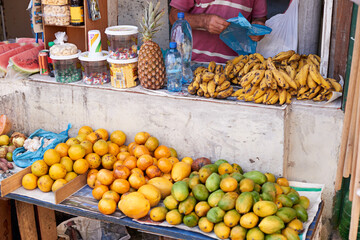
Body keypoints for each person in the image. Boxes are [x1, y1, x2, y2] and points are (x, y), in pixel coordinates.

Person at [169, 0, 267, 63]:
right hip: (193, 64)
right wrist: (204, 21)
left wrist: (258, 27)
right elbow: (173, 16)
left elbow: (260, 17)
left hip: (236, 68)